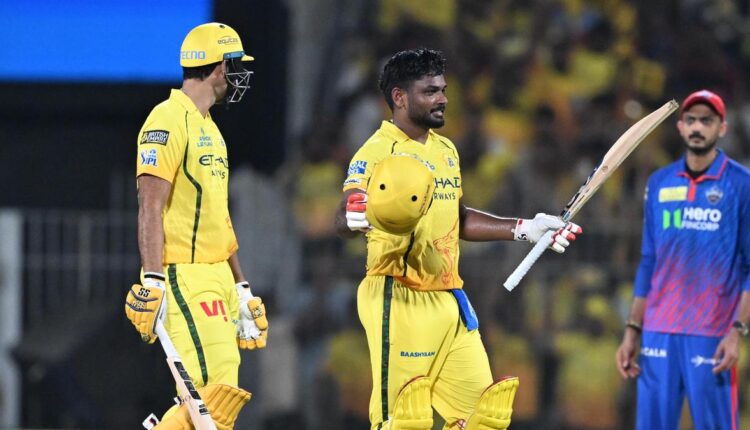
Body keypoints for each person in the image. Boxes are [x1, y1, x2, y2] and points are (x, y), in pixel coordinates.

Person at [334, 48, 582, 430]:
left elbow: (460, 218)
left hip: (449, 299)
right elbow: (344, 212)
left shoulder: (446, 149)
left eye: (444, 90)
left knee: (485, 419)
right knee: (403, 422)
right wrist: (353, 217)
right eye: (430, 91)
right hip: (399, 297)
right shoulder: (377, 151)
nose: (443, 99)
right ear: (400, 97)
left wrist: (524, 229)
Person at [124, 22, 269, 429]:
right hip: (184, 278)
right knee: (211, 403)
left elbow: (220, 217)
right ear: (220, 67)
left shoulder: (211, 129)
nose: (240, 75)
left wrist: (241, 287)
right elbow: (150, 205)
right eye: (236, 64)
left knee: (216, 403)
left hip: (217, 276)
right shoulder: (167, 119)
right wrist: (154, 280)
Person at [615, 89, 750, 429]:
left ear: (722, 128)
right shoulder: (659, 183)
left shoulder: (741, 185)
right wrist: (633, 329)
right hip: (658, 330)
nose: (697, 127)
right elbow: (649, 261)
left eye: (707, 121)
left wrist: (737, 331)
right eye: (691, 120)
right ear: (680, 126)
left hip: (712, 331)